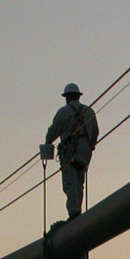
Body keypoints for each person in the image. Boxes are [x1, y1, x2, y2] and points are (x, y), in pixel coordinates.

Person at [44, 82, 99, 219]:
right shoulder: (89, 111)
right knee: (79, 183)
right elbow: (95, 132)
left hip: (69, 152)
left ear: (67, 97)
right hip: (85, 152)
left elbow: (53, 131)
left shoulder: (64, 112)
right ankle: (78, 211)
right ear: (78, 97)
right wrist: (91, 144)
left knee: (70, 183)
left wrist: (47, 143)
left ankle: (74, 213)